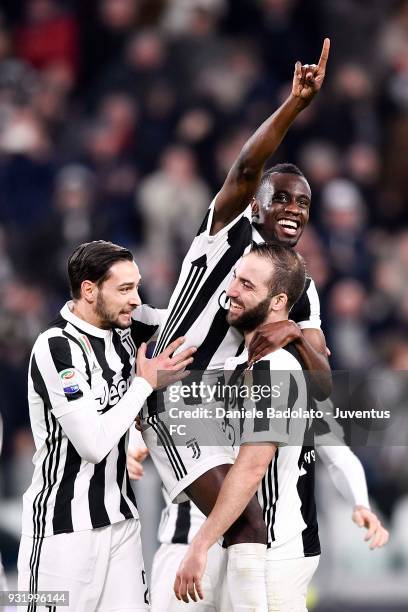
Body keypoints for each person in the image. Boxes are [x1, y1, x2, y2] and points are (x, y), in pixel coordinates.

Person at [133, 39, 330, 611]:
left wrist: (294, 333)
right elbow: (247, 166)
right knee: (242, 529)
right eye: (282, 199)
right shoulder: (225, 234)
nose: (293, 209)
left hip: (220, 413)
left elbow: (321, 378)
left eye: (303, 203)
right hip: (172, 395)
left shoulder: (298, 285)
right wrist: (294, 105)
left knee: (242, 534)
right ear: (256, 206)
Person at [18, 240, 195, 612]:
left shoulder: (129, 327)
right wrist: (145, 383)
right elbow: (93, 445)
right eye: (125, 289)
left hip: (122, 525)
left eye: (138, 286)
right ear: (89, 290)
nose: (136, 299)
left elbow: (192, 325)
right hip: (60, 532)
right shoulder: (56, 347)